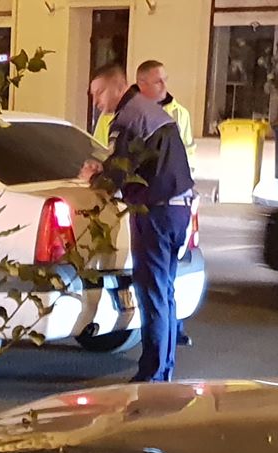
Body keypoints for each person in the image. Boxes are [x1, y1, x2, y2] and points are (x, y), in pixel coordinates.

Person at [78, 63, 197, 383]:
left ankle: (152, 377)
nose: (96, 102)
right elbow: (138, 161)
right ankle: (164, 369)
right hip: (178, 209)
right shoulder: (150, 112)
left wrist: (94, 177)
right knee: (165, 293)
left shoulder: (127, 119)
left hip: (155, 213)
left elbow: (115, 177)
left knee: (152, 295)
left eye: (99, 93)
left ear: (119, 87)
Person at [134, 61, 197, 158]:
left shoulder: (180, 113)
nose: (164, 86)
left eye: (165, 80)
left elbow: (189, 152)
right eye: (158, 82)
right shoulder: (124, 112)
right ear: (141, 84)